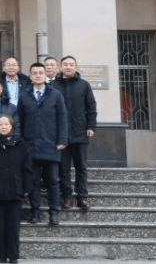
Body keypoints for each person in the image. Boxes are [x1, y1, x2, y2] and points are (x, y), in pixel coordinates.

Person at [18, 63, 68, 225]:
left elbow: (62, 119)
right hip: (30, 146)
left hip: (51, 145)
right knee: (33, 182)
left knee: (52, 181)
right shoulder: (24, 96)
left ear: (46, 75)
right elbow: (19, 121)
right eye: (35, 73)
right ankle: (35, 213)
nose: (38, 75)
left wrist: (62, 140)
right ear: (30, 76)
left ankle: (54, 213)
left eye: (41, 72)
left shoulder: (56, 95)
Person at [0, 115, 33, 264]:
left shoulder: (20, 143)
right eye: (0, 124)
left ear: (11, 127)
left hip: (15, 190)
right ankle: (2, 256)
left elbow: (27, 167)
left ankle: (13, 255)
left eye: (6, 124)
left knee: (13, 226)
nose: (4, 127)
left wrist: (27, 188)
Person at [52, 56, 98, 211]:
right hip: (61, 134)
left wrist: (91, 126)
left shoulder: (84, 85)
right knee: (63, 168)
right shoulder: (53, 86)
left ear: (76, 67)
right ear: (61, 67)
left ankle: (82, 197)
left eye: (71, 64)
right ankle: (67, 197)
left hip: (80, 132)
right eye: (65, 64)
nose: (68, 67)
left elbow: (91, 107)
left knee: (81, 168)